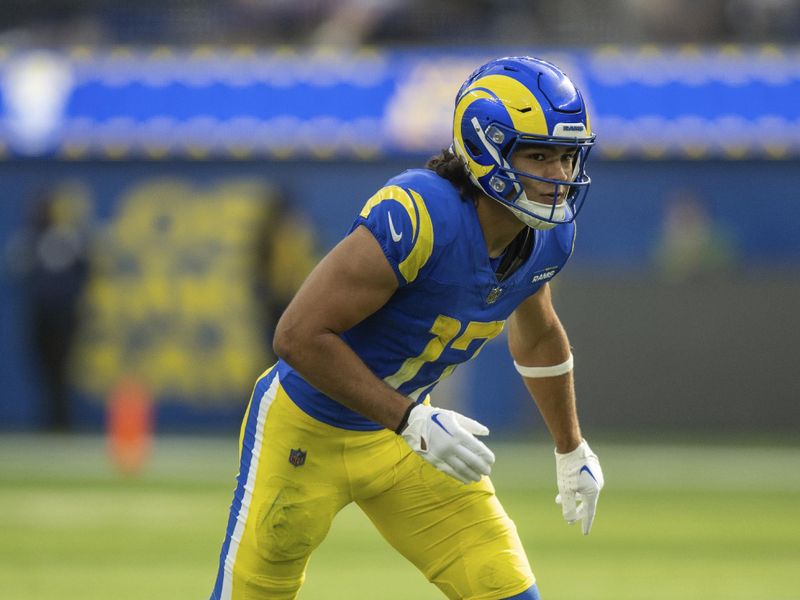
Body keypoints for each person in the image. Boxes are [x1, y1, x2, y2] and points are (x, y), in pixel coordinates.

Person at [210, 56, 605, 600]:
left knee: (504, 589)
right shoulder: (420, 214)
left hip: (408, 437)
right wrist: (409, 420)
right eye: (538, 154)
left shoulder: (548, 239)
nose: (558, 176)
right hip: (309, 428)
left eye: (566, 157)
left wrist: (570, 447)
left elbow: (537, 333)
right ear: (487, 148)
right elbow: (297, 335)